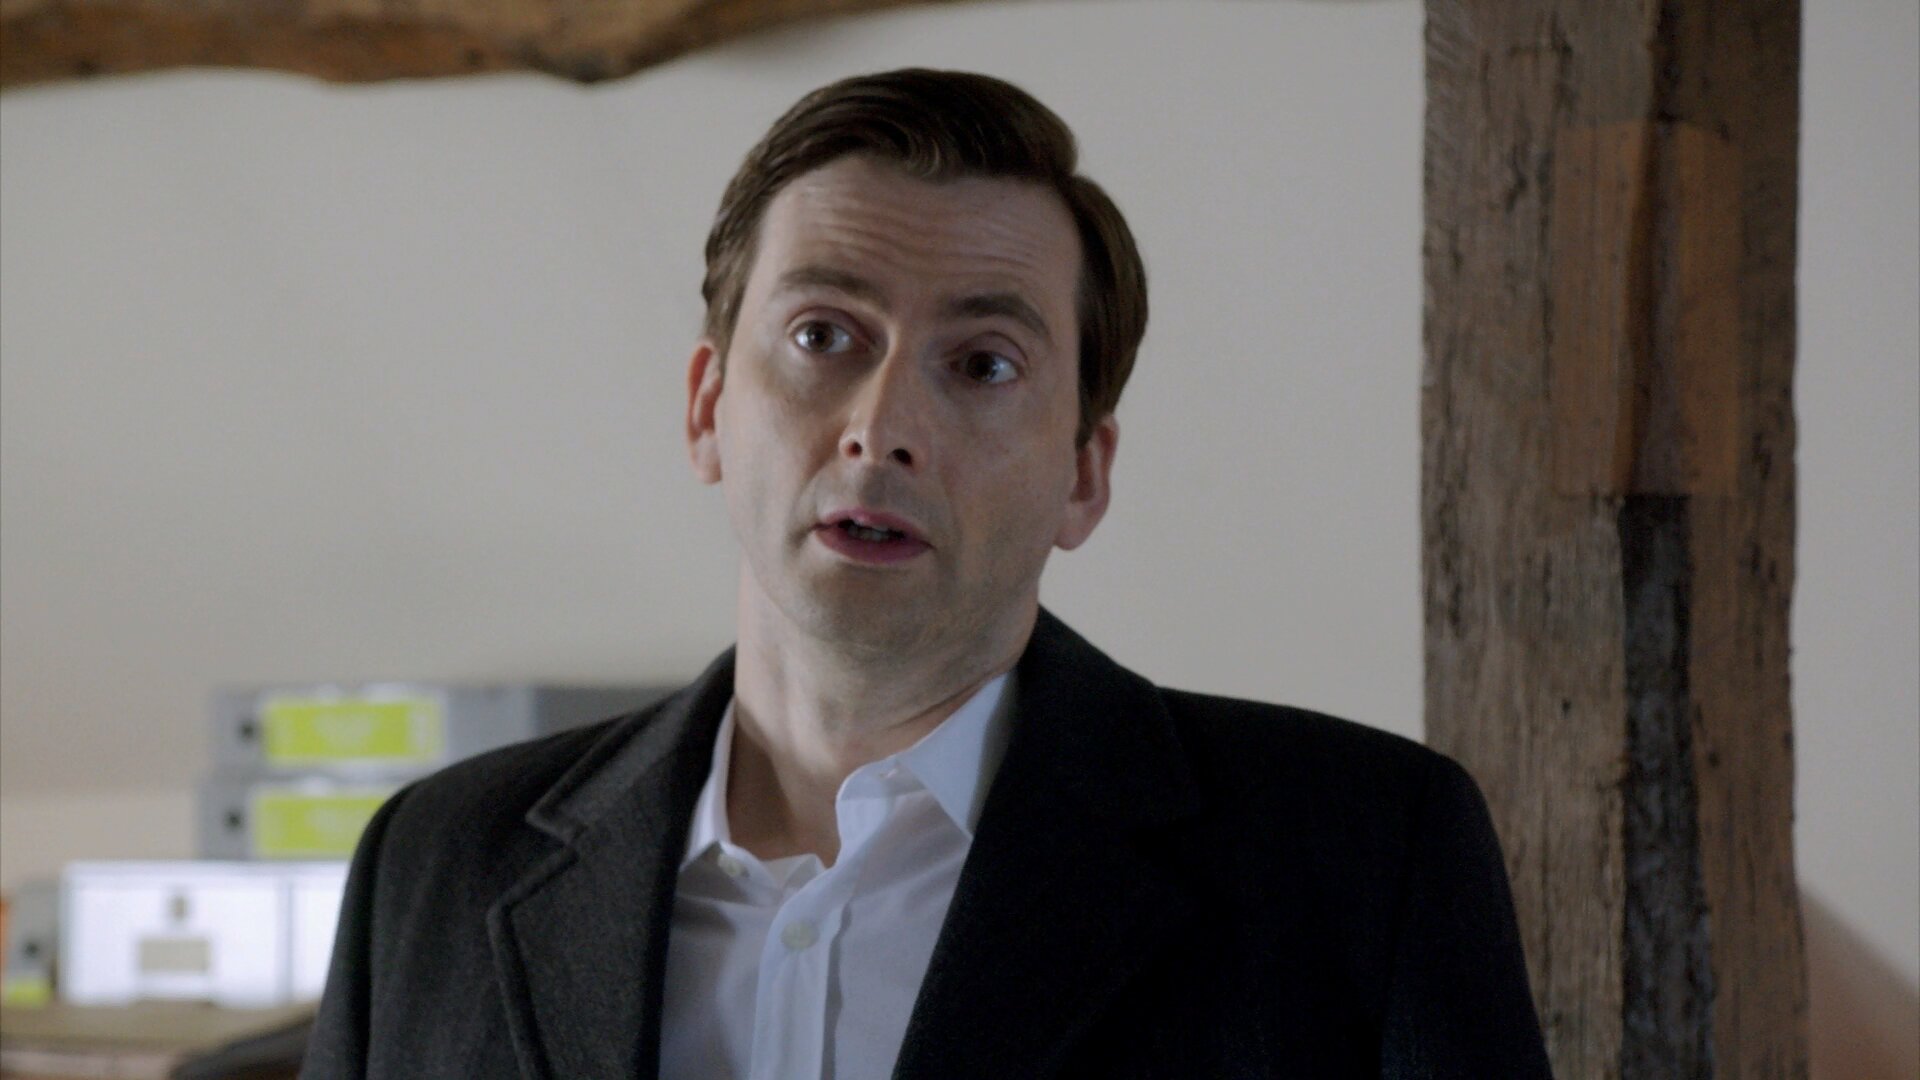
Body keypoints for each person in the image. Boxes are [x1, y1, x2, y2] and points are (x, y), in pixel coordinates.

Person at [304, 68, 1552, 1079]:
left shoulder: (1360, 858)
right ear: (705, 408)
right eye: (823, 335)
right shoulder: (437, 863)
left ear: (1083, 474)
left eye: (984, 364)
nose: (883, 426)